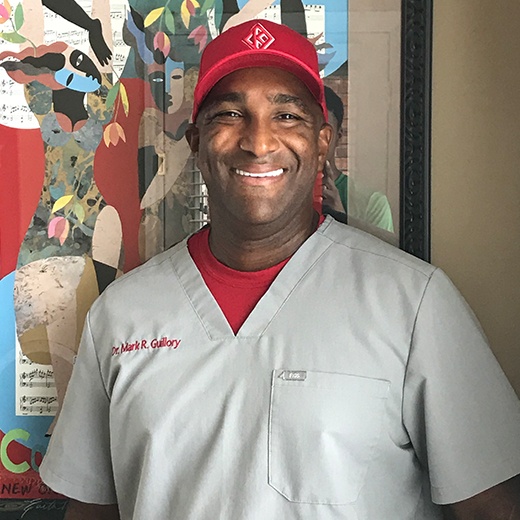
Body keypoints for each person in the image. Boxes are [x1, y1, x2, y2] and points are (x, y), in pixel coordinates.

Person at [39, 19, 520, 520]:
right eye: (230, 113)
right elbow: (92, 508)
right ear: (198, 142)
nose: (259, 141)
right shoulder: (121, 314)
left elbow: (490, 507)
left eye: (288, 115)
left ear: (322, 143)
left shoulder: (414, 303)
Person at [322, 85, 395, 233]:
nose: (318, 140)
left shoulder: (372, 203)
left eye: (325, 132)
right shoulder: (277, 191)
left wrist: (341, 218)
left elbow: (377, 256)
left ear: (338, 137)